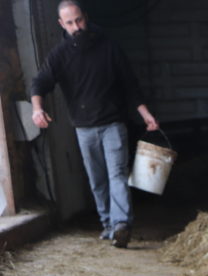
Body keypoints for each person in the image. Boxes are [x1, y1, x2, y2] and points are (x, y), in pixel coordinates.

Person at [30, 0, 159, 248]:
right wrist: (37, 108)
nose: (76, 26)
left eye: (79, 19)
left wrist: (145, 114)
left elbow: (129, 84)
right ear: (61, 24)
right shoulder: (59, 55)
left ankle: (122, 225)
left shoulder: (108, 46)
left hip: (113, 124)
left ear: (85, 17)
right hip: (84, 128)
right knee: (97, 179)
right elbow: (40, 83)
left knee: (117, 174)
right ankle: (108, 224)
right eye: (70, 22)